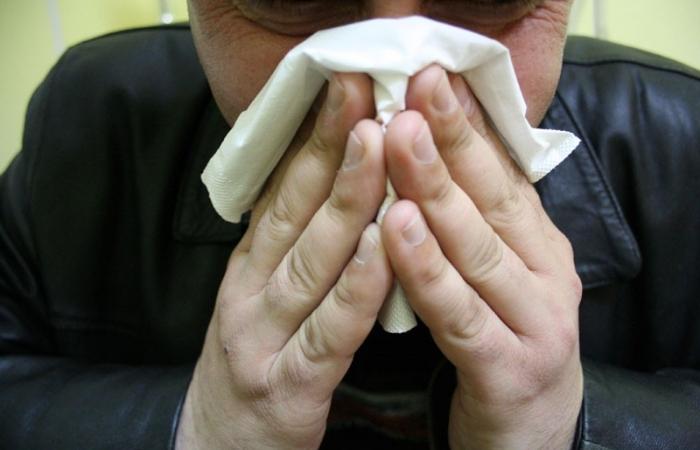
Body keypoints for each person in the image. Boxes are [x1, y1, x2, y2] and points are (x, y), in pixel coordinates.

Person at [0, 0, 698, 448]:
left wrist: (572, 426)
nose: (397, 84)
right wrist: (198, 431)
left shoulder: (679, 144)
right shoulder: (89, 128)